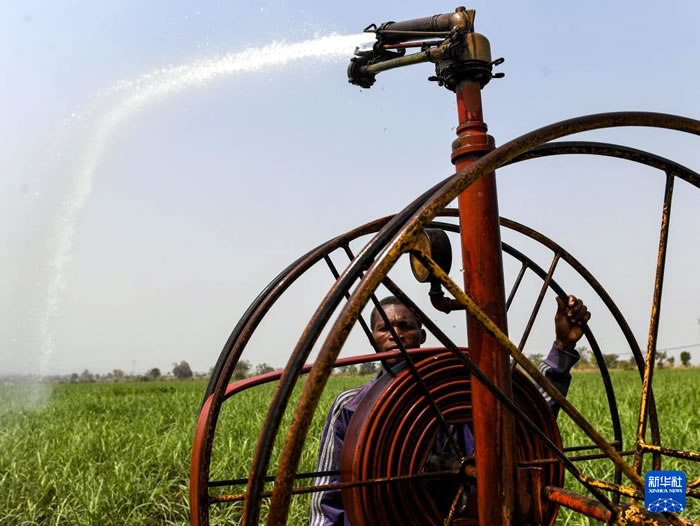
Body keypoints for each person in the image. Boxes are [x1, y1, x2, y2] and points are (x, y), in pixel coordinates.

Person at [309, 295, 590, 526]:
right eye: (385, 328)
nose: (396, 334)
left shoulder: (457, 391)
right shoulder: (351, 405)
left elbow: (528, 413)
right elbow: (326, 499)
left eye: (405, 325)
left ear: (422, 333)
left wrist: (562, 347)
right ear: (373, 337)